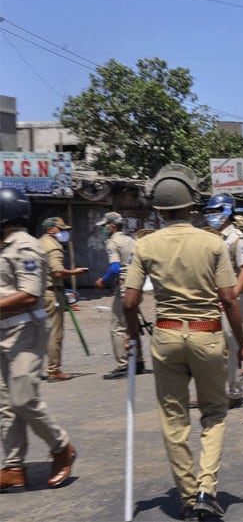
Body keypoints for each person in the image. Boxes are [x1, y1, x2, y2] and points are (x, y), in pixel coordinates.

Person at [123, 164, 243, 519]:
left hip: (165, 335)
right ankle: (207, 489)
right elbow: (228, 299)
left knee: (174, 420)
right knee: (213, 414)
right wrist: (242, 343)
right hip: (207, 333)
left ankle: (185, 495)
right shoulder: (212, 243)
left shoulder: (146, 244)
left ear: (159, 208)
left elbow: (130, 302)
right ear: (191, 204)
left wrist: (132, 338)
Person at [0, 188, 76, 491]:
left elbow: (29, 295)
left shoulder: (26, 246)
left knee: (23, 397)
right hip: (4, 331)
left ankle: (61, 447)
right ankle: (13, 466)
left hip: (25, 329)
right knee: (6, 403)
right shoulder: (5, 246)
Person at [204, 194, 243, 409]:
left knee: (232, 342)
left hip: (235, 296)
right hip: (221, 297)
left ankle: (234, 392)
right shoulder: (215, 238)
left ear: (227, 211)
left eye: (215, 211)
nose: (211, 216)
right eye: (209, 212)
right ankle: (217, 390)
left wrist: (230, 297)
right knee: (216, 345)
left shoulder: (237, 239)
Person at [96, 212, 145, 380]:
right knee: (133, 324)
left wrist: (103, 281)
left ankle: (124, 364)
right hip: (136, 286)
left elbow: (115, 268)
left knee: (118, 327)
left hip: (124, 287)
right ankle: (138, 361)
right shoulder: (132, 240)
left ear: (111, 226)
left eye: (104, 226)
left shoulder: (113, 241)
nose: (103, 230)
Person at [38, 217, 87, 382]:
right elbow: (58, 273)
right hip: (52, 292)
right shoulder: (53, 247)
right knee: (55, 333)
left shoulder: (40, 243)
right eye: (61, 229)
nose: (64, 233)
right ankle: (53, 370)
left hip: (40, 292)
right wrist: (76, 272)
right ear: (51, 230)